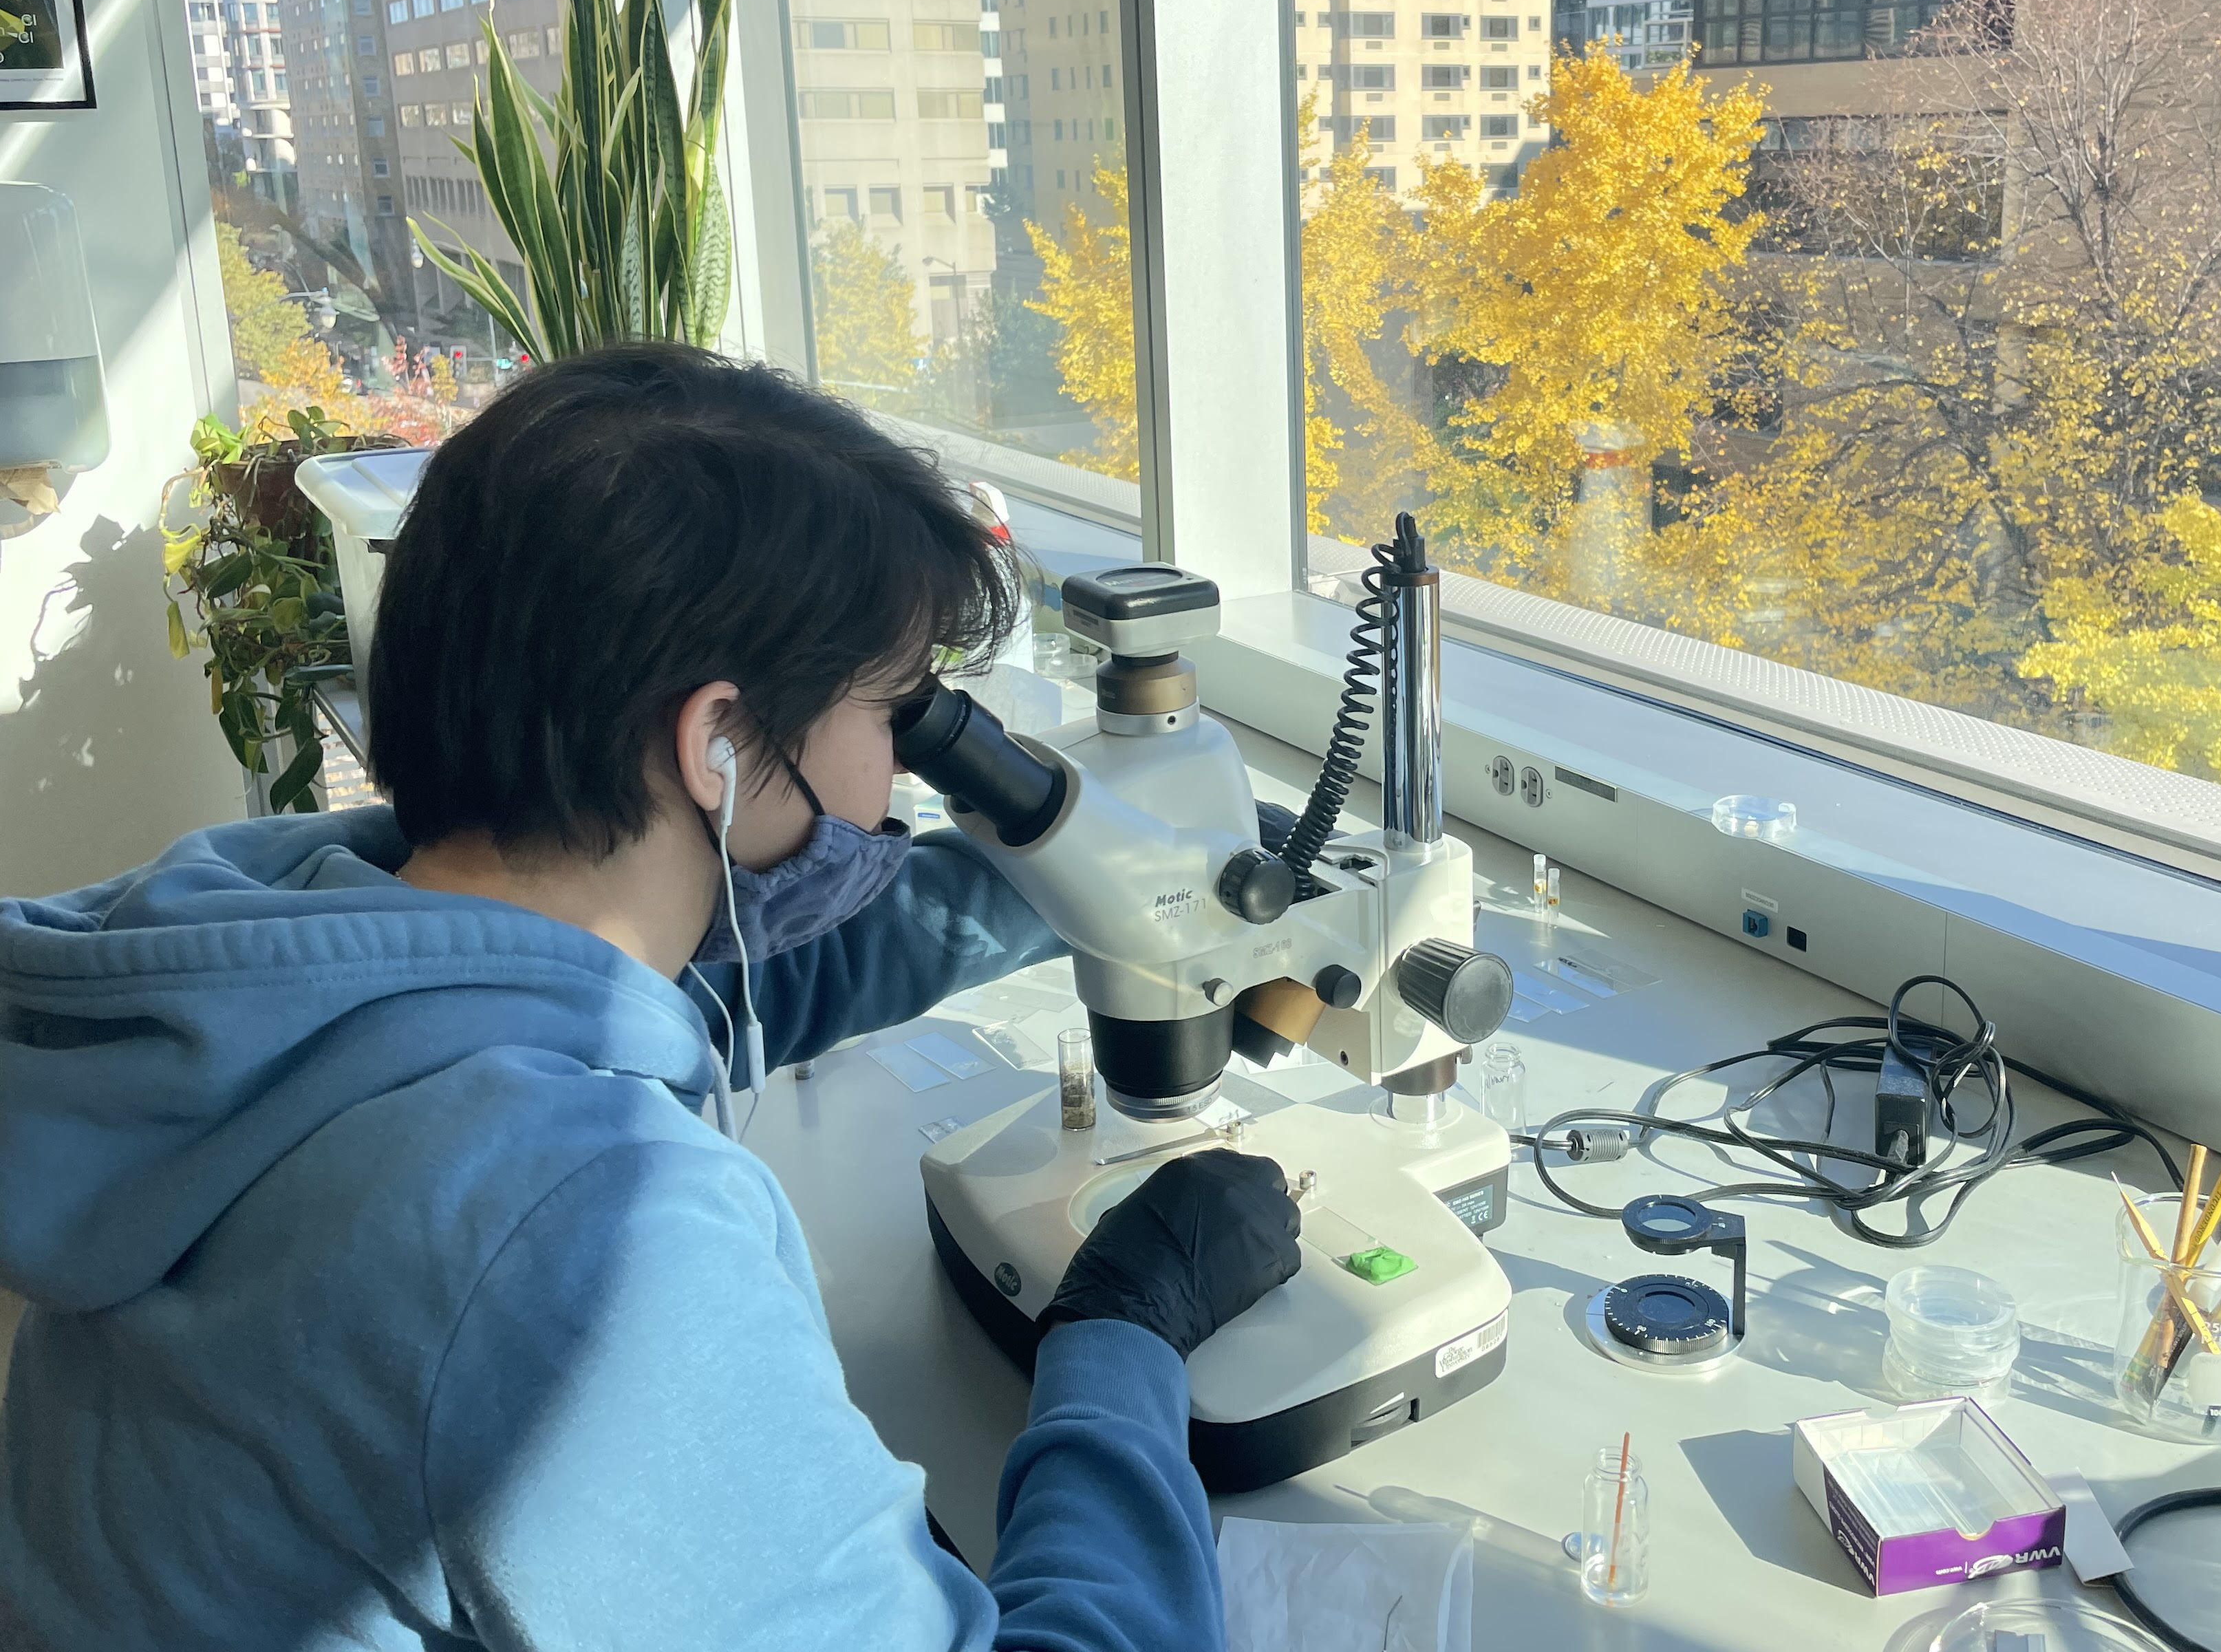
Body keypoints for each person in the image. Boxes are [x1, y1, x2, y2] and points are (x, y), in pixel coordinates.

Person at [0, 345, 1302, 1651]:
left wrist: (1136, 893)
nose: (900, 779)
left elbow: (744, 984)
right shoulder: (576, 1229)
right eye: (895, 715)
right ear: (721, 742)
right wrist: (1119, 1337)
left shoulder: (269, 957)